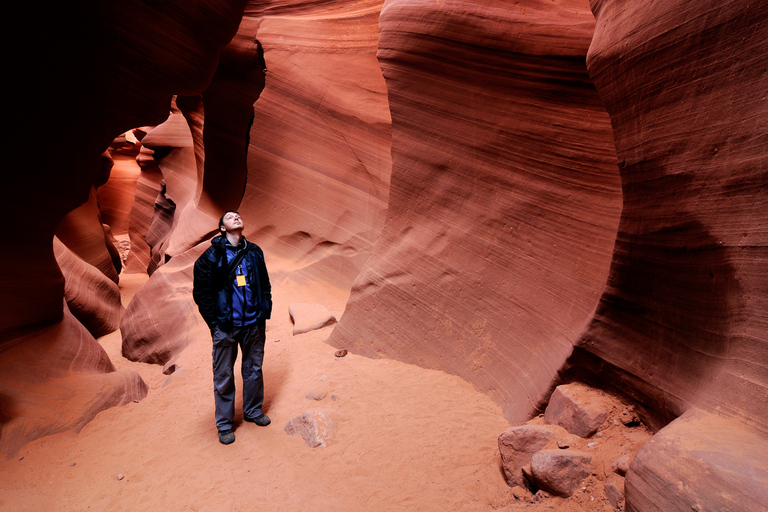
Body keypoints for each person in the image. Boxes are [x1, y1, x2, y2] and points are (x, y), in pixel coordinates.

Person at [193, 210, 273, 445]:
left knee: (253, 369)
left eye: (238, 215)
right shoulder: (210, 257)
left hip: (254, 325)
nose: (236, 217)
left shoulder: (254, 252)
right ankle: (225, 425)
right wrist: (214, 324)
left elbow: (265, 283)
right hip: (227, 326)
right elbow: (201, 293)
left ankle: (253, 411)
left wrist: (264, 310)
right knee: (224, 375)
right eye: (229, 217)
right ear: (222, 228)